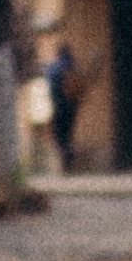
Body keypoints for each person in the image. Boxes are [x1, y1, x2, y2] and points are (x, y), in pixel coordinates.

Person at [45, 36, 83, 174]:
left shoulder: (54, 68)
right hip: (71, 105)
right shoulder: (72, 65)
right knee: (68, 134)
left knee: (59, 135)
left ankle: (65, 163)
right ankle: (69, 163)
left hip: (58, 104)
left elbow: (50, 85)